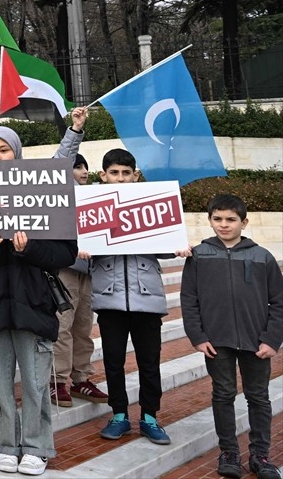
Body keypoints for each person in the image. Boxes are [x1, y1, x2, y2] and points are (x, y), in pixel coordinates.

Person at [0, 110, 86, 477]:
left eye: (4, 150)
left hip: (33, 305)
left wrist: (29, 248)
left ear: (17, 154)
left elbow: (65, 252)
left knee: (36, 385)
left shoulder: (45, 191)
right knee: (0, 386)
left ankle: (36, 447)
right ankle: (4, 444)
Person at [87, 149, 188, 446]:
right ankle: (119, 414)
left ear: (136, 175)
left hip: (147, 298)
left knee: (149, 361)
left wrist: (176, 246)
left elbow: (165, 246)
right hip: (110, 299)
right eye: (114, 173)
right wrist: (83, 251)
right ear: (103, 175)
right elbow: (80, 252)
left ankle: (150, 416)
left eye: (125, 173)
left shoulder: (150, 203)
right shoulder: (92, 208)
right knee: (113, 362)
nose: (120, 178)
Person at [181, 194, 283, 479]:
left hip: (256, 342)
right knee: (223, 395)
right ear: (210, 220)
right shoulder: (199, 255)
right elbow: (189, 299)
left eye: (230, 219)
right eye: (217, 219)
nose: (223, 225)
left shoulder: (262, 256)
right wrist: (198, 336)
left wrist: (272, 339)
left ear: (244, 222)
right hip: (216, 342)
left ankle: (260, 455)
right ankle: (229, 452)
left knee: (258, 398)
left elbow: (279, 301)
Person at [51, 154, 106, 410]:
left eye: (85, 166)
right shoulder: (63, 192)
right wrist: (75, 130)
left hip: (90, 270)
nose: (83, 171)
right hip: (67, 268)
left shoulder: (96, 195)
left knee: (83, 326)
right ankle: (58, 380)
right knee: (63, 325)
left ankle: (81, 378)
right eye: (76, 166)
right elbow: (60, 157)